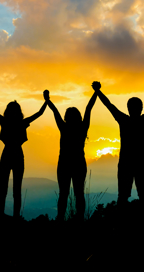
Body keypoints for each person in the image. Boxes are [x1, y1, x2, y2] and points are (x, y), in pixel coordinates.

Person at [94, 79, 144, 205]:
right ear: (141, 108)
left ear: (128, 108)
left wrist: (98, 91)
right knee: (143, 195)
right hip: (141, 161)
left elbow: (109, 105)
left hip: (126, 161)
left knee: (124, 196)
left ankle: (121, 223)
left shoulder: (124, 120)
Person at [0, 85, 47, 218]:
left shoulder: (8, 122)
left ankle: (13, 215)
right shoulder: (18, 122)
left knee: (13, 190)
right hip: (14, 155)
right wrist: (46, 100)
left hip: (11, 155)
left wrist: (46, 101)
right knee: (7, 189)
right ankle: (6, 215)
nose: (12, 112)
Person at [45, 84, 98, 221]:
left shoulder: (64, 127)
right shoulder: (82, 127)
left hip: (64, 163)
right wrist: (96, 92)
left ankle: (61, 218)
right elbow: (89, 108)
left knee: (65, 193)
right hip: (78, 163)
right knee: (78, 193)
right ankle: (79, 219)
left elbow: (55, 111)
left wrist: (47, 99)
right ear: (78, 117)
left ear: (66, 117)